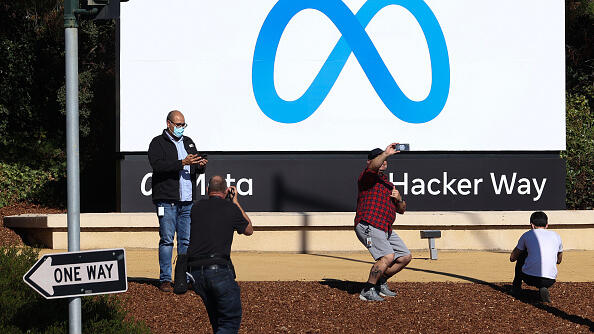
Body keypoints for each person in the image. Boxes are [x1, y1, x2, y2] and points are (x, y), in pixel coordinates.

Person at [148, 110, 208, 292]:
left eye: (183, 125)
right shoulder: (158, 143)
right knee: (167, 240)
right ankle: (165, 279)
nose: (181, 128)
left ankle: (183, 278)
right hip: (167, 201)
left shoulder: (188, 142)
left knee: (186, 241)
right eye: (178, 124)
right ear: (169, 124)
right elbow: (157, 166)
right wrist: (181, 163)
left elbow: (194, 166)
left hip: (187, 201)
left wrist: (200, 165)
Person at [186, 175, 254, 333]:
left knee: (218, 320)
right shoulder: (230, 208)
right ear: (226, 191)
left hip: (196, 273)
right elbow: (249, 229)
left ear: (207, 190)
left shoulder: (196, 207)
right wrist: (235, 201)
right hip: (219, 270)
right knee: (230, 320)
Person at [354, 143, 412, 301]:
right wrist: (386, 153)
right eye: (380, 158)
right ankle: (368, 289)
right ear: (370, 161)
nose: (384, 161)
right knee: (387, 256)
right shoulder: (367, 177)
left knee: (405, 256)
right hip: (369, 223)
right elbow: (373, 166)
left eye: (385, 159)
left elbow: (402, 210)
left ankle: (381, 282)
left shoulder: (388, 184)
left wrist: (399, 199)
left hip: (386, 228)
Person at [510, 211, 563, 303]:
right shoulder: (556, 236)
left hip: (529, 278)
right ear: (547, 225)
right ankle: (543, 287)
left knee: (522, 254)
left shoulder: (527, 235)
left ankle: (516, 287)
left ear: (532, 225)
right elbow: (559, 260)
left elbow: (512, 258)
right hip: (550, 280)